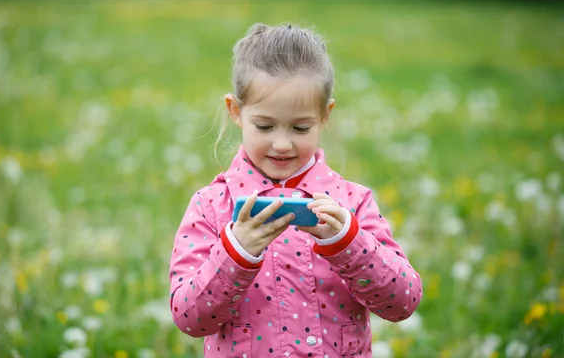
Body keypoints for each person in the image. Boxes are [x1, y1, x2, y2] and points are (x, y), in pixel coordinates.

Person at [169, 23, 422, 357]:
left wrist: (346, 241)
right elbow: (189, 318)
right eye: (264, 126)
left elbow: (402, 303)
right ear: (235, 111)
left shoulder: (351, 203)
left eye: (301, 127)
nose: (283, 143)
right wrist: (236, 253)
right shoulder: (211, 206)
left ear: (324, 115)